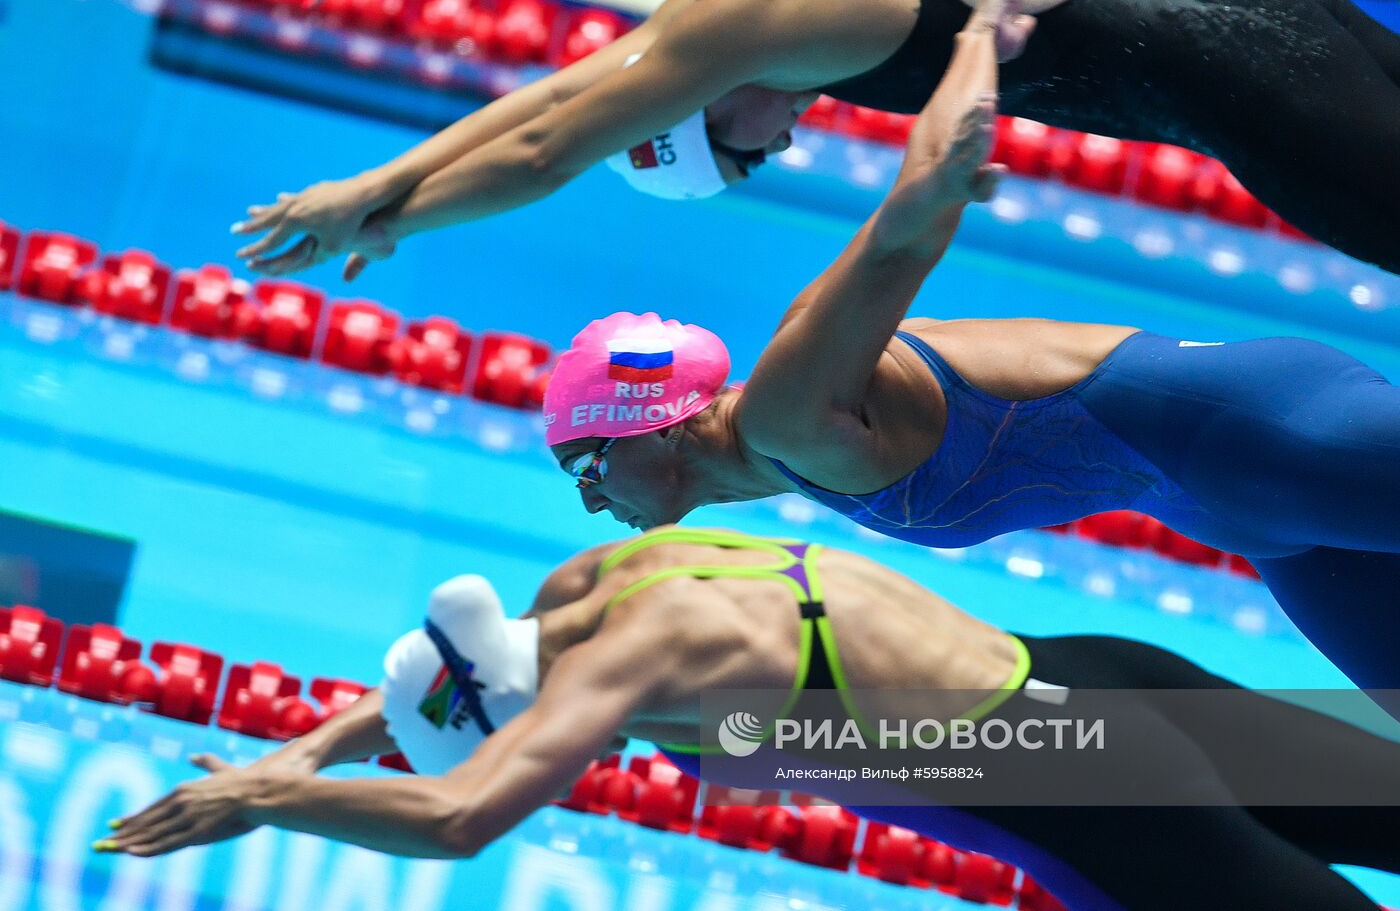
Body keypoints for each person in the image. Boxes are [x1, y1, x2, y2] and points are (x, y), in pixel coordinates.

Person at [539, 7, 1400, 717]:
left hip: (1269, 438)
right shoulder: (781, 453)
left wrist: (980, 33)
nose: (588, 494)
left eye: (586, 462)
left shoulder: (784, 412)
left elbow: (898, 238)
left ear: (657, 422)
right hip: (1241, 511)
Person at [100, 528, 1400, 910]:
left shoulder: (629, 667)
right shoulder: (587, 590)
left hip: (1069, 772)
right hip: (1095, 672)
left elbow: (453, 815)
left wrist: (263, 798)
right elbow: (431, 695)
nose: (579, 751)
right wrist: (304, 746)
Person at [229, 0, 1400, 277]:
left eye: (747, 150)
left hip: (1250, 85)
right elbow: (554, 97)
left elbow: (549, 149)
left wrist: (385, 224)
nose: (784, 140)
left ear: (686, 121)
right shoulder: (715, 11)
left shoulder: (755, 29)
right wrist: (379, 188)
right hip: (1276, 16)